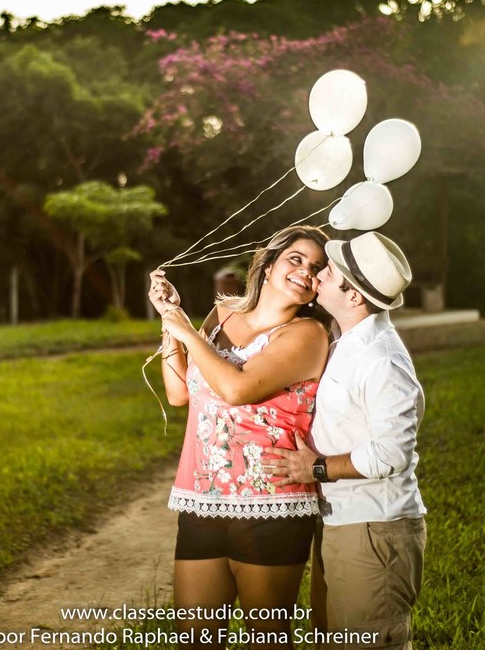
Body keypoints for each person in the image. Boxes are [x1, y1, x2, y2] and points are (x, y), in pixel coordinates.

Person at [149, 225, 331, 649]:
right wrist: (168, 323)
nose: (307, 272)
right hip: (202, 497)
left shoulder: (308, 334)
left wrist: (185, 329)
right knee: (195, 639)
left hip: (272, 503)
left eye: (318, 268)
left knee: (265, 640)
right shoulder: (223, 314)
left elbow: (237, 388)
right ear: (268, 265)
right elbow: (179, 392)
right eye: (297, 259)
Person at [263, 232, 427, 650]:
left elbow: (391, 454)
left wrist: (313, 467)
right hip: (342, 523)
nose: (317, 276)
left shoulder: (382, 360)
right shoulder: (348, 341)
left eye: (329, 271)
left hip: (373, 531)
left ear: (353, 296)